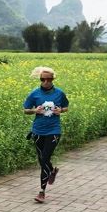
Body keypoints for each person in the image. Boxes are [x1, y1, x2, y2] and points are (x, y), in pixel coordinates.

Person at [23, 66, 69, 203]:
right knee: (41, 159)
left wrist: (60, 110)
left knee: (44, 161)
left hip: (54, 130)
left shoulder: (59, 93)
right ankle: (52, 171)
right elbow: (26, 109)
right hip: (38, 131)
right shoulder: (35, 93)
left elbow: (66, 107)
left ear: (53, 79)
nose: (46, 82)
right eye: (43, 79)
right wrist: (35, 111)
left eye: (49, 79)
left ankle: (42, 192)